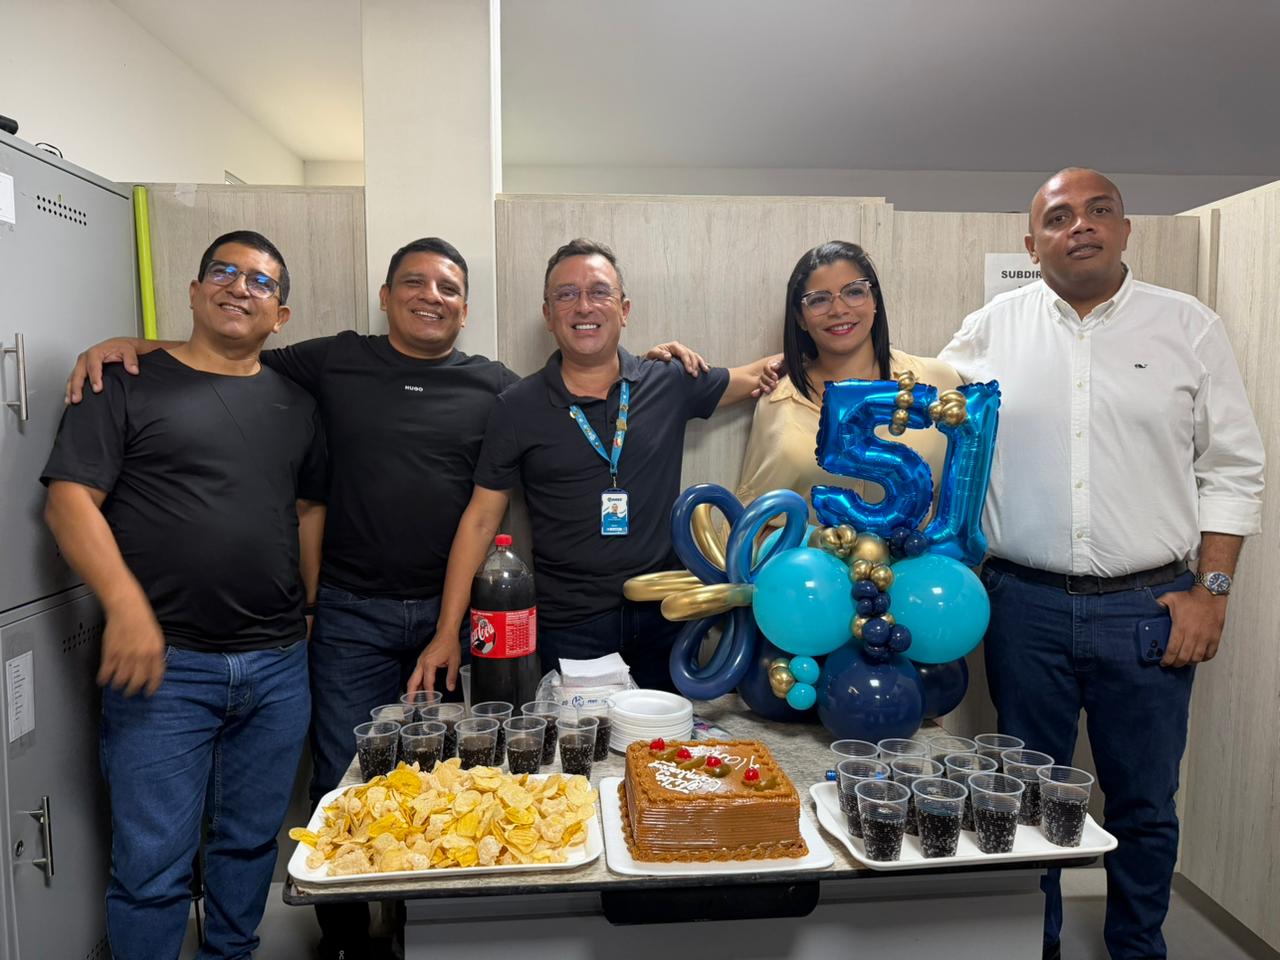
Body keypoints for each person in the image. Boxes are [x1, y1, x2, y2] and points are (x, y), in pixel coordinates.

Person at [66, 237, 711, 959]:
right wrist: (133, 345)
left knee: (463, 788)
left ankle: (432, 931)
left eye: (448, 288)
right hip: (349, 618)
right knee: (345, 788)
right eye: (414, 282)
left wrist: (652, 361)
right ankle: (350, 939)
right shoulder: (333, 360)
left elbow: (502, 484)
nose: (431, 296)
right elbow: (233, 344)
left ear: (465, 307)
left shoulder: (498, 387)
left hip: (459, 620)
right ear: (385, 296)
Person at [939, 168, 1264, 960]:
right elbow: (923, 414)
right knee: (1021, 802)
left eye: (1098, 211)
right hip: (1022, 608)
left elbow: (1233, 467)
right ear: (1031, 242)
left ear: (1125, 229)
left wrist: (1211, 592)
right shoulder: (989, 329)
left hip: (1151, 609)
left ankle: (1137, 948)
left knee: (1145, 803)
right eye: (1058, 217)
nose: (1078, 225)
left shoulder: (1186, 326)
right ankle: (1034, 946)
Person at [42, 231, 326, 960]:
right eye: (223, 273)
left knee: (249, 846)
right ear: (196, 293)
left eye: (260, 281)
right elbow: (71, 501)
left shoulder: (297, 402)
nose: (240, 287)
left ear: (281, 315)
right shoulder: (124, 382)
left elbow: (307, 510)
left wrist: (311, 606)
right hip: (166, 666)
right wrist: (128, 608)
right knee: (152, 868)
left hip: (276, 665)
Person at [410, 238, 780, 695]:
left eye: (599, 292)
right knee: (578, 758)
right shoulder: (516, 406)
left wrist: (835, 353)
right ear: (548, 315)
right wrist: (447, 633)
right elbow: (481, 519)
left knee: (661, 755)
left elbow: (759, 375)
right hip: (571, 627)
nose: (584, 305)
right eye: (566, 294)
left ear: (623, 309)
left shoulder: (668, 380)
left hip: (663, 616)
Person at [737, 240, 962, 517]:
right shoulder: (779, 400)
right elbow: (757, 508)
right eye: (819, 299)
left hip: (917, 557)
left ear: (874, 300)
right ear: (800, 317)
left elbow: (959, 492)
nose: (839, 309)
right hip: (814, 555)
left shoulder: (938, 380)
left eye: (854, 292)